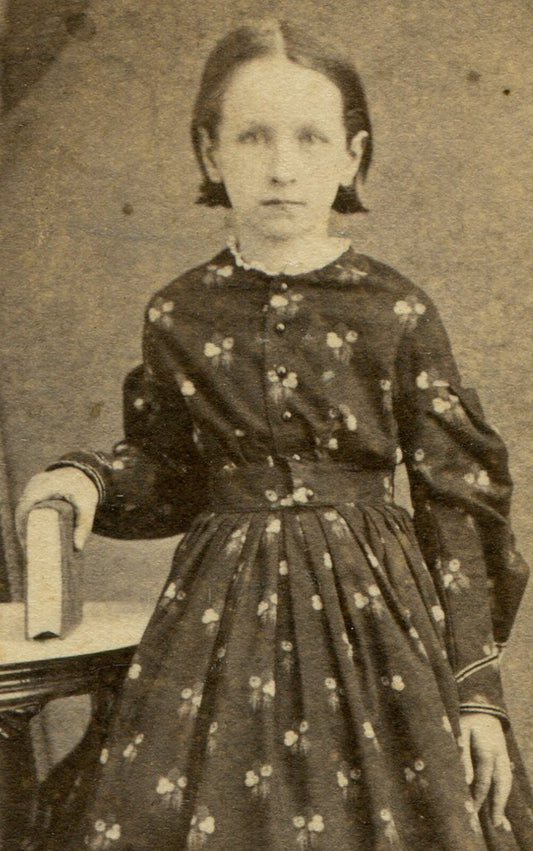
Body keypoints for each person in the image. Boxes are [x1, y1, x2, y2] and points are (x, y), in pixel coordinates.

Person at [17, 18, 533, 851]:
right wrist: (89, 479)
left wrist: (475, 693)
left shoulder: (394, 310)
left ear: (351, 157)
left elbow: (454, 505)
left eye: (310, 137)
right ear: (209, 153)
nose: (282, 166)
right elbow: (169, 475)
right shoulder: (179, 311)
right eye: (252, 137)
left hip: (376, 621)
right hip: (219, 623)